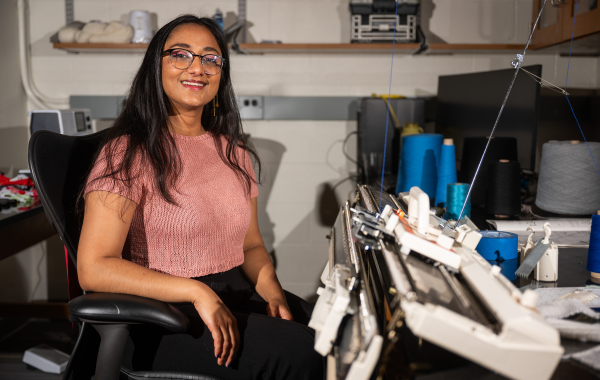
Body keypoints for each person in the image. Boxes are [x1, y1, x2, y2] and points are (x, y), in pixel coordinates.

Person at [77, 14, 323, 380]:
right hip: (163, 313)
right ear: (155, 68)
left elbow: (252, 246)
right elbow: (93, 268)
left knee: (329, 332)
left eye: (211, 58)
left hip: (229, 292)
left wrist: (271, 289)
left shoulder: (233, 151)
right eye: (181, 55)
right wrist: (196, 292)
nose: (198, 68)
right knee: (303, 355)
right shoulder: (127, 152)